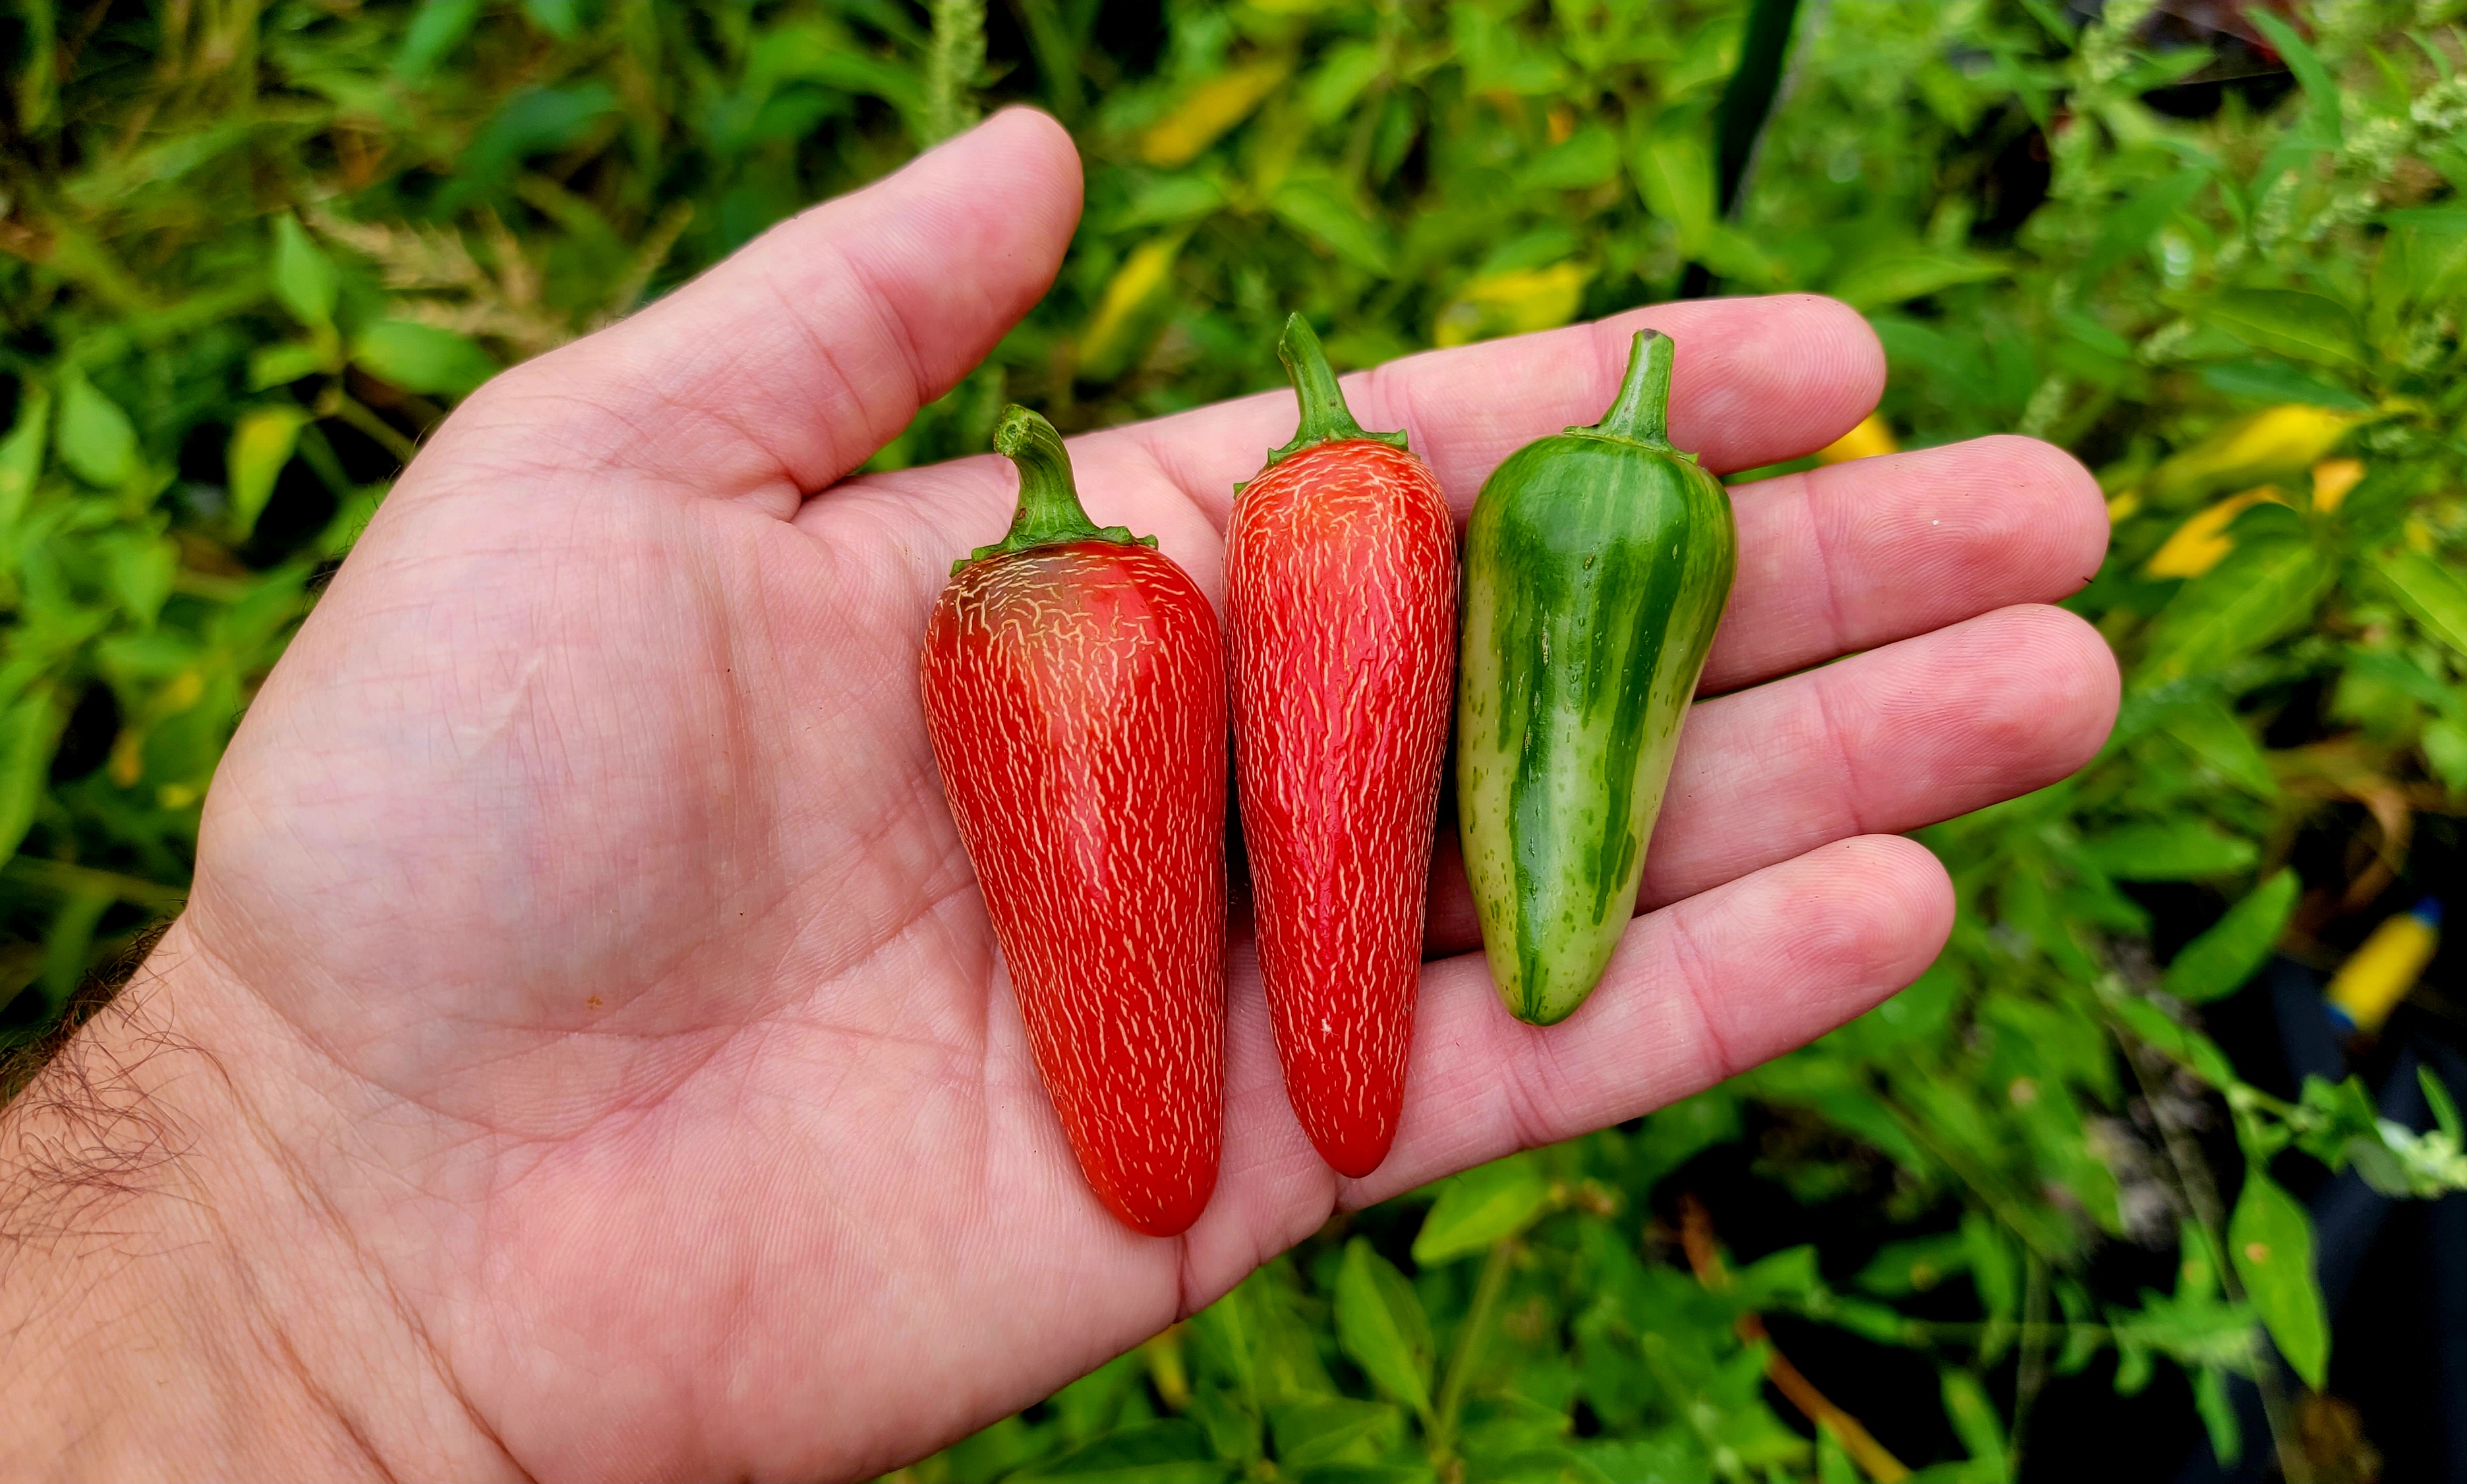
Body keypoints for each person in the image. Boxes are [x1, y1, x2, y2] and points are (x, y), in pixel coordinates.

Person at [0, 110, 2117, 1481]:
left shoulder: (1300, 538)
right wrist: (264, 1183)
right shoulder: (1224, 557)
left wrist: (263, 1211)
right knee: (1290, 1002)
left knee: (1357, 935)